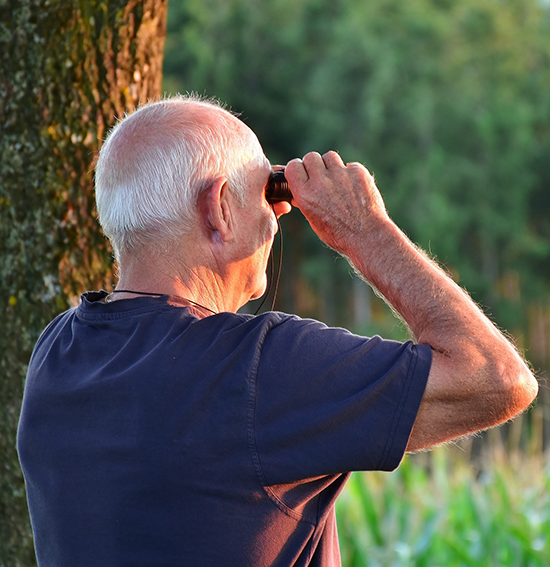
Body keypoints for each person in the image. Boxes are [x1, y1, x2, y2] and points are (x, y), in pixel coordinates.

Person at [17, 96, 538, 567]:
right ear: (219, 209)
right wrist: (365, 231)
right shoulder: (256, 370)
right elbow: (496, 378)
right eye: (265, 194)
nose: (275, 219)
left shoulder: (56, 354)